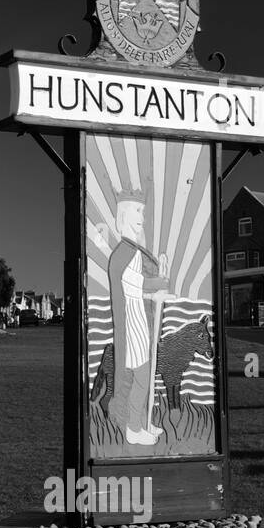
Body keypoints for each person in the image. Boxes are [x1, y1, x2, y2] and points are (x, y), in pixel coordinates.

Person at [105, 190, 171, 446]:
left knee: (142, 375)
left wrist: (153, 292)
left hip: (138, 320)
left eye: (142, 211)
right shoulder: (125, 252)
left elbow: (137, 288)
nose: (141, 217)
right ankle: (133, 428)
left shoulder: (132, 251)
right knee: (140, 375)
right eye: (137, 211)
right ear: (123, 215)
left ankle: (141, 421)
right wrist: (160, 280)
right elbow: (135, 283)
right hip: (131, 324)